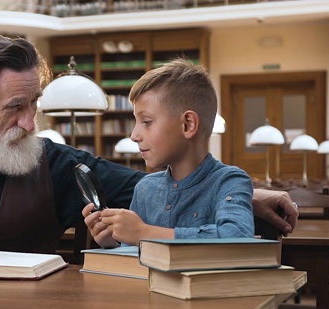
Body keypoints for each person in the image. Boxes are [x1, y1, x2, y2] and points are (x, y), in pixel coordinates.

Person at [0, 35, 298, 263]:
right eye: (15, 107)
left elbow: (154, 185)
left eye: (34, 104)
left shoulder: (57, 163)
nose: (32, 122)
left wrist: (247, 194)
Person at [82, 59, 253, 248]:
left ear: (188, 124)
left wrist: (143, 232)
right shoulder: (145, 188)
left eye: (146, 122)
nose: (134, 135)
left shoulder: (229, 181)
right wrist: (112, 242)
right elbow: (135, 256)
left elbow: (238, 238)